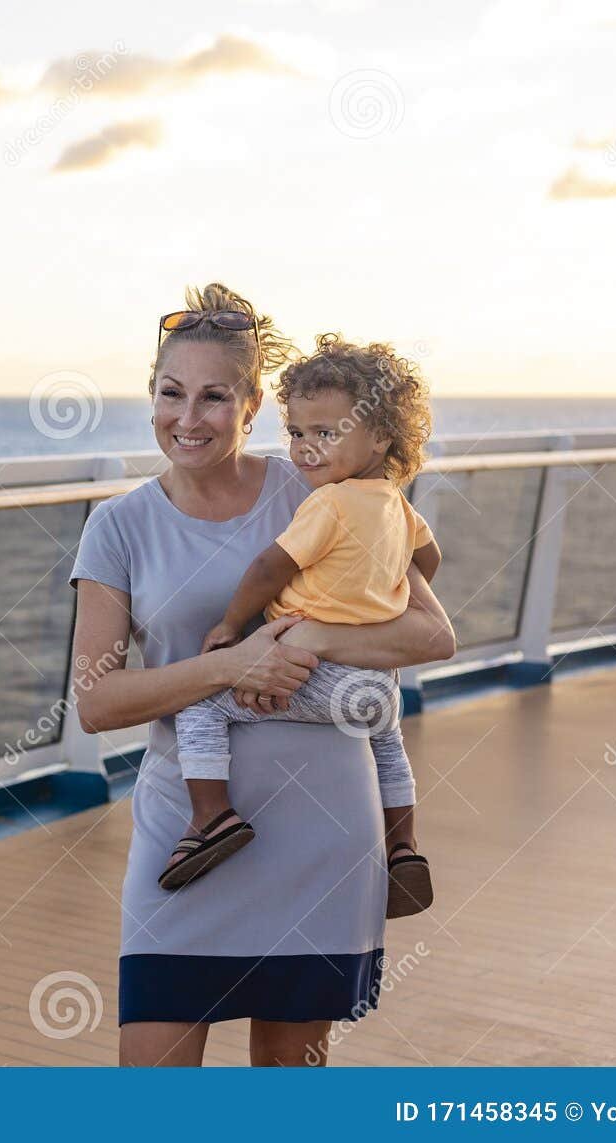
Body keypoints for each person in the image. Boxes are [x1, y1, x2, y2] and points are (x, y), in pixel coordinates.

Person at [69, 282, 456, 1066]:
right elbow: (96, 702)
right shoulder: (118, 526)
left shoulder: (319, 490)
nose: (188, 416)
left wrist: (305, 638)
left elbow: (430, 633)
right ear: (151, 397)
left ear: (252, 407)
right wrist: (229, 664)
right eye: (171, 393)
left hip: (322, 835)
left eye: (215, 396)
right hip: (187, 837)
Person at [159, 334, 438, 924]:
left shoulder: (329, 504)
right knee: (389, 747)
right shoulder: (396, 504)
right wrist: (382, 589)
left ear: (380, 437)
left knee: (200, 706)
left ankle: (211, 817)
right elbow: (429, 559)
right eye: (297, 433)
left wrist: (231, 625)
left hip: (315, 673)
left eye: (326, 434)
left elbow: (271, 567)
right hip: (376, 684)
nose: (306, 449)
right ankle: (404, 847)